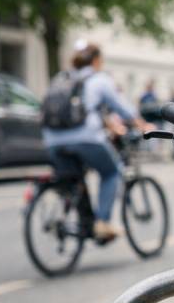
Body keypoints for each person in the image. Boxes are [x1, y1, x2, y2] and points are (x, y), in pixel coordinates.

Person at [43, 41, 152, 242]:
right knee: (111, 172)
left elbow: (87, 110)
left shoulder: (61, 77)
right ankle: (102, 223)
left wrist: (110, 125)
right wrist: (143, 125)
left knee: (74, 180)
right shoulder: (100, 79)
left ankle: (85, 223)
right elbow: (122, 108)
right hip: (85, 139)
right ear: (96, 60)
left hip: (52, 140)